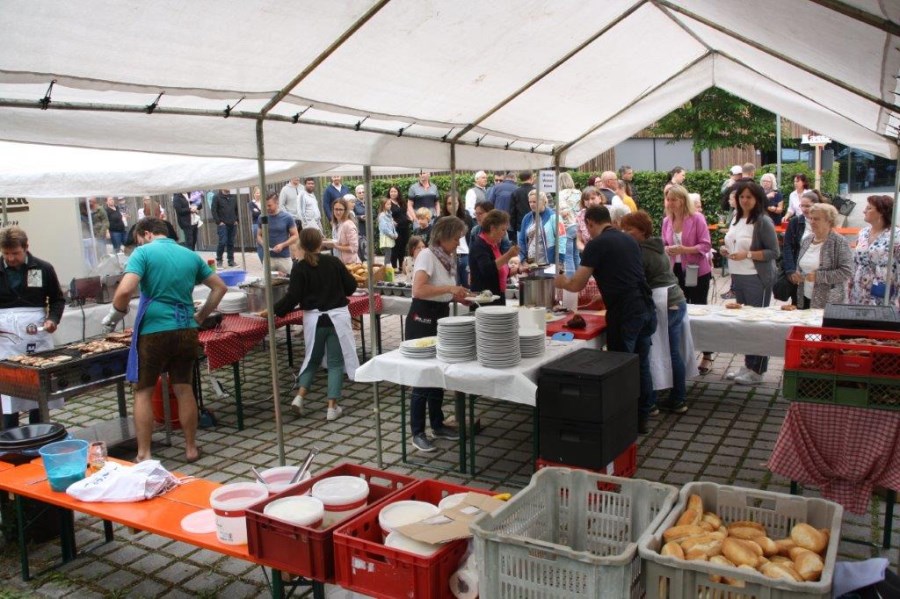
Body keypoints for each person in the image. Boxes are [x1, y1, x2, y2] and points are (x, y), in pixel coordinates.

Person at [103, 217, 227, 462]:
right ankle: (191, 448)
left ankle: (144, 454)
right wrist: (200, 317)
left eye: (139, 239)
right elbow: (220, 288)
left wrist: (115, 314)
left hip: (154, 330)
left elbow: (126, 290)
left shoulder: (143, 254)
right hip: (185, 328)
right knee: (184, 388)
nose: (138, 243)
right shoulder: (190, 255)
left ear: (147, 234)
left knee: (143, 391)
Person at [555, 206, 657, 434]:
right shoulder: (627, 239)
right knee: (641, 363)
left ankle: (623, 420)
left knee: (620, 366)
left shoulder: (596, 244)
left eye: (586, 226)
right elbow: (626, 273)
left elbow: (577, 284)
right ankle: (643, 416)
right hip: (645, 305)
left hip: (625, 311)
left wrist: (561, 282)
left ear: (590, 223)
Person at [271, 228, 359, 421]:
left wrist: (273, 311)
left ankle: (300, 397)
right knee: (335, 363)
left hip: (314, 320)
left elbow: (292, 296)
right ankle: (332, 407)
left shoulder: (300, 267)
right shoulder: (334, 262)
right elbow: (351, 286)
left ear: (301, 245)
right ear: (321, 243)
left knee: (311, 359)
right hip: (336, 318)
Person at [406, 216, 469, 452]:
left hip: (440, 315)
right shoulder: (426, 255)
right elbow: (419, 290)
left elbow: (441, 290)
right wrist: (449, 289)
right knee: (423, 375)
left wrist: (457, 295)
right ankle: (418, 431)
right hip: (422, 319)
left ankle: (438, 423)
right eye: (455, 239)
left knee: (437, 373)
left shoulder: (446, 258)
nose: (458, 244)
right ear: (442, 238)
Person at [620, 210, 690, 415]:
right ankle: (677, 398)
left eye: (629, 229)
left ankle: (656, 401)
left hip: (664, 302)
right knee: (673, 352)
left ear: (641, 231)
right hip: (675, 298)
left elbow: (636, 281)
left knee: (657, 352)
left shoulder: (640, 252)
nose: (625, 233)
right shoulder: (657, 245)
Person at [0, 226, 65, 428]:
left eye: (15, 253)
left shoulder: (43, 268)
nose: (10, 258)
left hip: (36, 333)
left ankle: (40, 431)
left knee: (39, 386)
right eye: (6, 253)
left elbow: (57, 299)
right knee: (8, 390)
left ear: (26, 247)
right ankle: (9, 436)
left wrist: (52, 320)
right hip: (5, 337)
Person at [720, 181, 779, 385]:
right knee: (745, 323)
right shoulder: (736, 217)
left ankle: (759, 370)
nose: (744, 200)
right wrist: (725, 251)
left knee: (757, 323)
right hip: (738, 276)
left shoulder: (763, 221)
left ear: (758, 199)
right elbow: (733, 242)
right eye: (741, 197)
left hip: (757, 278)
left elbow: (774, 252)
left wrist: (749, 254)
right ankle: (748, 364)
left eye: (749, 197)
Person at [662, 184, 714, 374]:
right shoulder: (667, 221)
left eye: (674, 199)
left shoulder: (697, 218)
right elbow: (664, 243)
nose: (670, 203)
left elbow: (706, 245)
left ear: (683, 200)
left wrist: (685, 249)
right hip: (674, 270)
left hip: (696, 270)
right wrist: (668, 249)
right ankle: (683, 353)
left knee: (699, 309)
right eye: (668, 199)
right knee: (678, 310)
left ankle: (707, 354)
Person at [793, 203, 852, 309]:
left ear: (829, 221)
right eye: (810, 218)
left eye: (816, 219)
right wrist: (798, 274)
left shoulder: (839, 242)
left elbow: (847, 272)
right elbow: (802, 265)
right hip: (805, 296)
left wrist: (818, 276)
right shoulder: (807, 240)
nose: (812, 222)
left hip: (829, 301)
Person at [848, 195, 900, 306]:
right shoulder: (863, 233)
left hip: (882, 293)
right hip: (858, 292)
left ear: (881, 212)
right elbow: (855, 262)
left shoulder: (896, 235)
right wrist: (850, 286)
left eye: (869, 208)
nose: (864, 211)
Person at [469, 209, 518, 307]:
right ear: (492, 228)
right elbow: (487, 269)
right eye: (503, 230)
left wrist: (519, 270)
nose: (505, 233)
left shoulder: (494, 245)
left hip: (497, 298)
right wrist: (508, 255)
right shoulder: (480, 245)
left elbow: (501, 272)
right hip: (485, 302)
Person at [782, 190, 821, 306]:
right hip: (799, 274)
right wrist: (791, 270)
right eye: (802, 205)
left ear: (816, 206)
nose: (804, 209)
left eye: (807, 206)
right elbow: (787, 246)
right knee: (799, 305)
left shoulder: (824, 222)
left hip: (818, 275)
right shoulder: (795, 222)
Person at [518, 190, 564, 265]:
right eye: (530, 202)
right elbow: (521, 240)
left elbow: (561, 239)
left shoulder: (554, 217)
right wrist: (522, 259)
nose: (532, 204)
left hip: (549, 261)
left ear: (544, 202)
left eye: (535, 202)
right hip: (531, 261)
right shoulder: (527, 217)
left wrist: (560, 260)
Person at [257, 192, 299, 275]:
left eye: (269, 205)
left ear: (277, 203)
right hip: (268, 258)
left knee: (287, 283)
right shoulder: (262, 217)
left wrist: (282, 245)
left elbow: (295, 236)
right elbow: (259, 235)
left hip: (284, 257)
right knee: (268, 284)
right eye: (264, 205)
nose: (267, 208)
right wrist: (263, 244)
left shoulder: (287, 217)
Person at [440, 192, 474, 285]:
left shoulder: (467, 218)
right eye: (449, 203)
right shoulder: (441, 220)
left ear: (459, 203)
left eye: (455, 203)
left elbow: (472, 238)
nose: (452, 206)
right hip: (448, 257)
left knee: (468, 286)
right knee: (453, 285)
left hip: (465, 255)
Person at [557, 172, 582, 275]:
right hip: (578, 226)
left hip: (568, 227)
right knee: (576, 255)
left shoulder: (561, 194)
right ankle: (580, 279)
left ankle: (571, 281)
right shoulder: (579, 193)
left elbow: (564, 212)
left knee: (568, 256)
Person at [324, 197, 360, 265]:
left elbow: (354, 248)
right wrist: (327, 240)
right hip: (338, 262)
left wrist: (335, 246)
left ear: (345, 210)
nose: (338, 212)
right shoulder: (335, 223)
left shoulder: (348, 225)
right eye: (336, 209)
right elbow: (337, 240)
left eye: (340, 209)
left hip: (350, 263)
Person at [211, 189, 238, 267]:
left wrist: (236, 220)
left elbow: (236, 209)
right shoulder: (216, 197)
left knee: (231, 242)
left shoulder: (233, 197)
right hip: (223, 224)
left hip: (232, 223)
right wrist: (218, 222)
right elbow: (214, 210)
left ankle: (231, 260)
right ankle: (219, 260)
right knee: (222, 242)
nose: (228, 187)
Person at [386, 185, 410, 269]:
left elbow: (406, 212)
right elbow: (384, 214)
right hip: (395, 229)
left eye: (395, 191)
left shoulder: (401, 202)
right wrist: (391, 221)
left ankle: (401, 266)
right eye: (391, 191)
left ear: (398, 192)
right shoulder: (388, 202)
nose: (393, 193)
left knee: (403, 247)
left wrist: (410, 217)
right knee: (395, 248)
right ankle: (394, 267)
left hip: (405, 228)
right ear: (389, 193)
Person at [575, 186, 603, 257]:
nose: (590, 202)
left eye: (593, 198)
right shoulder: (580, 215)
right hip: (587, 253)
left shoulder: (608, 212)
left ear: (599, 198)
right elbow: (579, 240)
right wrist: (586, 250)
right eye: (587, 199)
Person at [377, 198, 399, 268]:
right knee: (388, 254)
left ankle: (387, 268)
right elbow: (384, 229)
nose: (390, 206)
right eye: (388, 204)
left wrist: (395, 233)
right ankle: (386, 269)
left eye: (390, 204)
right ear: (383, 205)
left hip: (390, 237)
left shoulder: (389, 214)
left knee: (389, 253)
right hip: (386, 237)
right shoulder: (382, 215)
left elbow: (392, 226)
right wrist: (393, 235)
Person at [248, 187, 263, 263]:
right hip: (256, 225)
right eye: (257, 193)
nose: (258, 194)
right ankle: (262, 261)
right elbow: (255, 213)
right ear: (254, 194)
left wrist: (259, 211)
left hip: (264, 225)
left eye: (259, 193)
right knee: (260, 244)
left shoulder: (264, 202)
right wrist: (261, 211)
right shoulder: (251, 203)